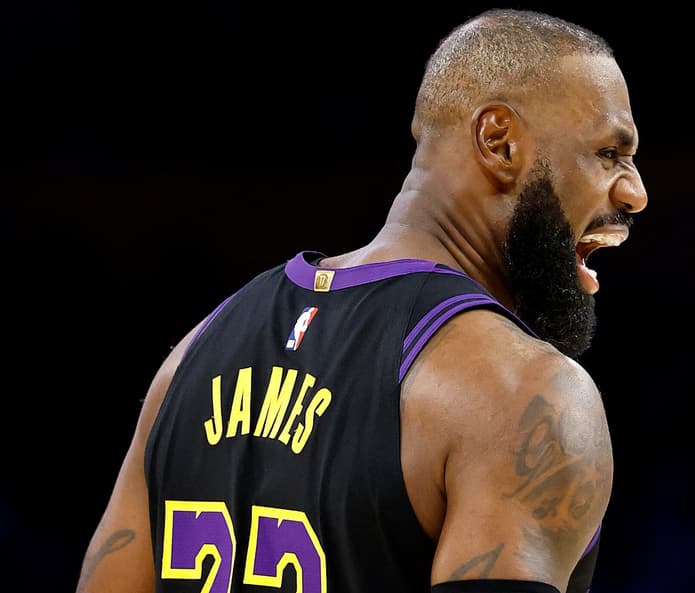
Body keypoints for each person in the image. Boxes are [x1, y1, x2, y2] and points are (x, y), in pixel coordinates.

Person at [75, 7, 647, 593]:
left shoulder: (193, 355)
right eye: (609, 154)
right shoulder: (524, 393)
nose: (636, 193)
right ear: (499, 142)